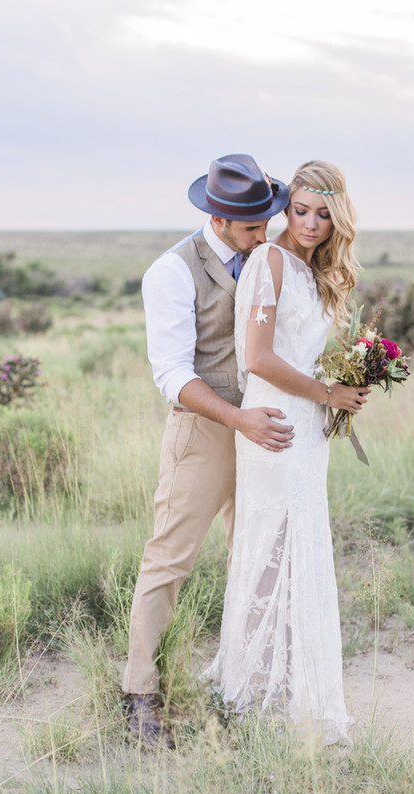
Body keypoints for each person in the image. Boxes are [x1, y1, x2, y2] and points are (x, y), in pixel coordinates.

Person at [122, 154, 293, 744]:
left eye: (265, 222)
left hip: (265, 431)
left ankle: (247, 686)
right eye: (251, 227)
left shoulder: (266, 258)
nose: (262, 235)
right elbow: (170, 373)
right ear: (218, 219)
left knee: (258, 557)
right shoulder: (170, 273)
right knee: (170, 558)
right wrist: (236, 418)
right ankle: (138, 691)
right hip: (205, 431)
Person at [203, 160, 371, 745]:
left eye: (324, 215)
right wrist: (328, 391)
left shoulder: (312, 271)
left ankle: (289, 687)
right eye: (300, 210)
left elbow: (303, 351)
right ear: (285, 207)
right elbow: (258, 357)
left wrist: (345, 386)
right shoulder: (271, 260)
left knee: (299, 549)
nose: (310, 223)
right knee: (270, 548)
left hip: (308, 427)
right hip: (274, 423)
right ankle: (249, 691)